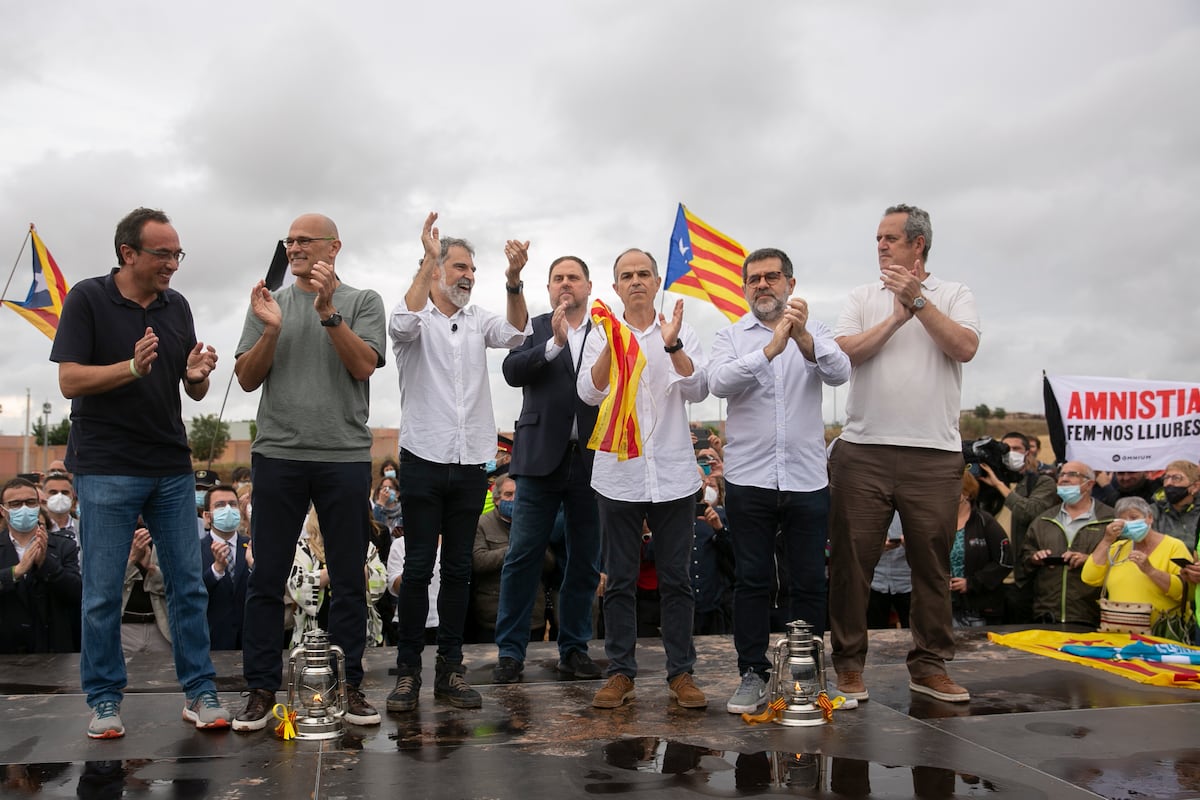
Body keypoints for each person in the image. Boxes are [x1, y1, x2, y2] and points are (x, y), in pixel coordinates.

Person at [49, 206, 227, 738]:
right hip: (105, 467)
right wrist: (128, 368)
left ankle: (200, 691)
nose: (172, 263)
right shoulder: (87, 298)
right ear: (128, 253)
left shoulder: (177, 307)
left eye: (177, 254)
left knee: (188, 586)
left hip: (171, 466)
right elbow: (69, 380)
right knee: (102, 591)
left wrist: (195, 376)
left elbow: (188, 387)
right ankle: (105, 699)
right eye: (162, 254)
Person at [233, 212, 387, 731]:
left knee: (349, 577)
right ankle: (259, 689)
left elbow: (364, 366)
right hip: (277, 453)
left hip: (343, 455)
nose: (294, 247)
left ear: (333, 247)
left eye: (304, 240)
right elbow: (248, 379)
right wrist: (271, 331)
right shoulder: (267, 301)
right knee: (267, 576)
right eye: (289, 240)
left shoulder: (364, 301)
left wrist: (328, 314)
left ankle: (350, 686)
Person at [828, 204, 981, 704]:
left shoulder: (954, 294)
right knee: (853, 565)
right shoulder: (861, 297)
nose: (880, 246)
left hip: (934, 455)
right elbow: (845, 352)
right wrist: (895, 318)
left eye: (890, 238)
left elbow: (964, 347)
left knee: (931, 565)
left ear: (919, 244)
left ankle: (930, 664)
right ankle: (849, 667)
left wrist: (918, 303)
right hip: (863, 450)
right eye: (877, 238)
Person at [386, 212, 531, 712]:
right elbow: (399, 324)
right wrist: (425, 260)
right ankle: (407, 674)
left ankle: (450, 670)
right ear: (436, 272)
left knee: (459, 568)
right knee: (421, 566)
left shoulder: (479, 320)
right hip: (423, 459)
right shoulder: (415, 319)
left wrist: (514, 281)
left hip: (471, 463)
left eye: (473, 268)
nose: (469, 274)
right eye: (459, 266)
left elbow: (517, 333)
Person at [708, 246, 850, 714]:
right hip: (750, 479)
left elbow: (839, 372)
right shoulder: (731, 336)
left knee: (808, 580)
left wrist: (803, 337)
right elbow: (719, 383)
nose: (762, 285)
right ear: (744, 287)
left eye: (772, 277)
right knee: (752, 579)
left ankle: (806, 677)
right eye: (754, 279)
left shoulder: (818, 330)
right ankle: (753, 673)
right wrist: (770, 350)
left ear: (791, 283)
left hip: (807, 479)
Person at [577, 248, 709, 710]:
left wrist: (672, 345)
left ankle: (681, 674)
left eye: (643, 274)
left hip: (672, 474)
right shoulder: (602, 331)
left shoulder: (681, 328)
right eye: (626, 275)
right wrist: (612, 349)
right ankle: (620, 674)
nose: (635, 281)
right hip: (620, 475)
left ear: (657, 283)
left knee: (676, 579)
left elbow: (699, 387)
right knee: (619, 581)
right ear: (615, 288)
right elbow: (589, 393)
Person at [492, 255, 602, 685]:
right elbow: (511, 371)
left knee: (584, 561)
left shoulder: (606, 331)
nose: (565, 284)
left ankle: (574, 649)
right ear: (549, 287)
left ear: (589, 286)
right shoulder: (533, 327)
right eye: (558, 278)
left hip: (593, 460)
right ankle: (510, 653)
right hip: (539, 460)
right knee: (522, 558)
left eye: (573, 277)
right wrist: (553, 345)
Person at [976, 431, 1059, 623]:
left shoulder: (1041, 482)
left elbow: (1030, 511)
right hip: (991, 578)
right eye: (1006, 449)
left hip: (1022, 579)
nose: (1011, 453)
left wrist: (999, 485)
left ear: (1028, 453)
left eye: (1016, 449)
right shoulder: (986, 485)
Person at [1022, 462, 1116, 626]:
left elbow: (1123, 561)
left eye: (1072, 475)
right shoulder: (1044, 519)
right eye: (1062, 474)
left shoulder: (1110, 519)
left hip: (1091, 615)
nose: (1064, 479)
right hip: (1047, 615)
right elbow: (1025, 557)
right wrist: (1034, 558)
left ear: (1090, 484)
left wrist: (1090, 561)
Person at [0, 477, 82, 654]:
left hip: (52, 648)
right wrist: (16, 572)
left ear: (38, 505)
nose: (24, 508)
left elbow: (76, 592)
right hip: (7, 649)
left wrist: (46, 563)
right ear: (3, 510)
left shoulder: (63, 546)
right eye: (15, 504)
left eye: (30, 502)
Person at [287, 509, 388, 649]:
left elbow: (380, 581)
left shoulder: (365, 546)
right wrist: (338, 568)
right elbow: (297, 585)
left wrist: (354, 560)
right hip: (313, 636)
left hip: (359, 631)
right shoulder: (304, 548)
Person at [1082, 497, 1188, 626]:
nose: (1128, 523)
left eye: (1133, 517)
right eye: (1123, 520)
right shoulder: (1117, 547)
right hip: (1118, 630)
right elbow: (1089, 578)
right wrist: (1106, 541)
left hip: (1160, 633)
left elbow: (1185, 592)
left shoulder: (1174, 546)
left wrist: (1151, 571)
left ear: (1149, 518)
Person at [473, 477, 554, 643]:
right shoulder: (482, 524)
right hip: (493, 615)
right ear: (496, 499)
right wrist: (514, 550)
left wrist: (534, 544)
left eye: (519, 494)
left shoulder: (535, 523)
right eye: (508, 495)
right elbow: (478, 561)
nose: (514, 499)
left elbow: (550, 564)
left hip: (532, 615)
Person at [951, 472, 1010, 627]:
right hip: (944, 606)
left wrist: (972, 583)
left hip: (979, 608)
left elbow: (1005, 561)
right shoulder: (938, 522)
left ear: (967, 493)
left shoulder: (985, 521)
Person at [200, 485, 250, 650]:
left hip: (250, 642)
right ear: (207, 516)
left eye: (233, 504)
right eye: (220, 505)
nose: (228, 509)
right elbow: (193, 592)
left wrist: (253, 568)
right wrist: (217, 570)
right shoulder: (195, 550)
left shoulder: (252, 546)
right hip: (212, 642)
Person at [1152, 461, 1200, 553]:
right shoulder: (1153, 511)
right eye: (1166, 478)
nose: (1169, 483)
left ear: (1195, 487)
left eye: (1176, 478)